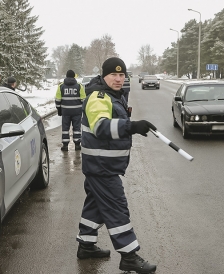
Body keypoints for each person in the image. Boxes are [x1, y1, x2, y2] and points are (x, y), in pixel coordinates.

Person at [76, 57, 157, 273]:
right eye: (114, 74)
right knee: (116, 208)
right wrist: (131, 126)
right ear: (104, 76)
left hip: (102, 166)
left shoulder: (114, 96)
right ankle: (129, 257)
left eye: (122, 75)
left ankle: (86, 245)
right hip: (101, 167)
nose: (119, 79)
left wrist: (132, 126)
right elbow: (102, 127)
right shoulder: (98, 97)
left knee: (96, 205)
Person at [55, 70, 86, 151]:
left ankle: (65, 146)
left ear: (66, 76)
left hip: (65, 111)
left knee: (65, 128)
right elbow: (83, 99)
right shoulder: (79, 86)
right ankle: (77, 145)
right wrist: (83, 109)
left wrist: (59, 109)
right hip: (77, 111)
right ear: (74, 76)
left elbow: (58, 99)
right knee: (77, 128)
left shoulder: (61, 86)